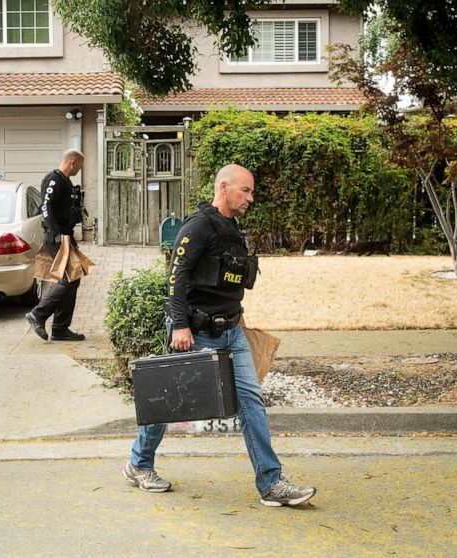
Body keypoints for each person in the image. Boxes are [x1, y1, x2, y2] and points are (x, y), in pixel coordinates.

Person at [124, 164, 317, 508]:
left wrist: (238, 316)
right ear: (224, 187)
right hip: (195, 331)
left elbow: (227, 278)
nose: (250, 198)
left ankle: (271, 484)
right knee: (172, 404)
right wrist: (179, 324)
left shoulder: (232, 228)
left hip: (231, 332)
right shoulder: (198, 226)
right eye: (245, 191)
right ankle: (139, 464)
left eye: (252, 192)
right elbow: (176, 277)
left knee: (251, 402)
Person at [25, 149, 87, 342]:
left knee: (73, 277)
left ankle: (60, 328)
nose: (79, 170)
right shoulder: (53, 179)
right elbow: (46, 207)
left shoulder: (66, 182)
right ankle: (38, 314)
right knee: (69, 280)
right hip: (56, 237)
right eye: (79, 165)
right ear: (72, 161)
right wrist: (57, 233)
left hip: (66, 236)